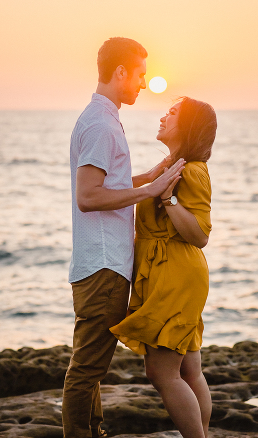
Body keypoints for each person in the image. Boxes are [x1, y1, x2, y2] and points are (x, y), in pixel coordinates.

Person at [64, 37, 185, 438]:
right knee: (88, 368)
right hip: (103, 264)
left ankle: (93, 431)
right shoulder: (100, 124)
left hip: (103, 261)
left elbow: (106, 185)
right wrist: (150, 191)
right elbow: (88, 196)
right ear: (120, 73)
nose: (143, 83)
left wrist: (147, 177)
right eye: (139, 75)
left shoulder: (101, 119)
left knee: (92, 365)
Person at [110, 97, 217, 438]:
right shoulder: (174, 164)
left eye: (172, 113)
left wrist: (168, 200)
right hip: (169, 271)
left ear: (187, 125)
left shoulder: (192, 170)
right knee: (188, 370)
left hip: (176, 273)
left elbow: (199, 234)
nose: (162, 116)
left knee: (162, 372)